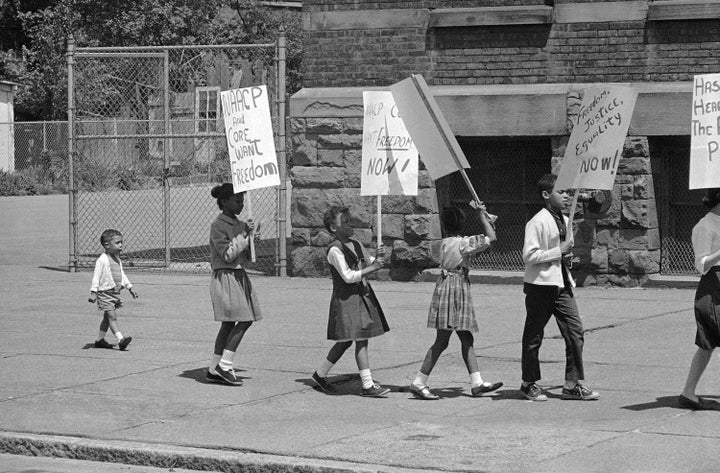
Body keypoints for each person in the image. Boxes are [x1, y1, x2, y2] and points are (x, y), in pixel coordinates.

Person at [409, 203, 503, 400]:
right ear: (462, 223)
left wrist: (486, 221)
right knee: (444, 340)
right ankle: (419, 382)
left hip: (446, 286)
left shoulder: (445, 243)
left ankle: (476, 382)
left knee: (464, 337)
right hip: (456, 288)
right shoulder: (463, 243)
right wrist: (484, 219)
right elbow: (491, 239)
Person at [520, 173, 599, 402]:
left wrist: (572, 261)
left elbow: (565, 256)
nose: (566, 197)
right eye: (561, 192)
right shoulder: (537, 222)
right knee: (534, 336)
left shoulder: (565, 220)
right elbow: (529, 255)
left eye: (567, 192)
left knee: (575, 331)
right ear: (546, 195)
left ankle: (571, 384)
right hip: (540, 286)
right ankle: (528, 383)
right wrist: (559, 251)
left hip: (562, 285)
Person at [311, 206, 390, 397]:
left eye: (349, 220)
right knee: (361, 339)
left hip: (360, 296)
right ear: (333, 228)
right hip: (347, 299)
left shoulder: (355, 243)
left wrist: (379, 257)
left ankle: (320, 374)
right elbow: (348, 276)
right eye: (344, 222)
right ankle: (367, 384)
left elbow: (370, 262)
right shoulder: (334, 250)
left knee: (346, 341)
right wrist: (373, 268)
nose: (349, 224)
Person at [206, 183, 262, 386]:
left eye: (243, 200)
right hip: (226, 276)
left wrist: (252, 238)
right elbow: (228, 254)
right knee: (245, 319)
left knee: (229, 323)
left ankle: (214, 368)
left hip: (238, 276)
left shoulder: (240, 224)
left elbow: (246, 256)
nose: (241, 204)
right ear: (224, 202)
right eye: (237, 200)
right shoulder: (218, 226)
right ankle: (225, 364)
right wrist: (245, 237)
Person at [679, 187, 720, 410]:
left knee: (708, 345)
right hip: (713, 287)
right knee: (708, 342)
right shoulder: (704, 226)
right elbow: (701, 265)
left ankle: (688, 392)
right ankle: (688, 393)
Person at [88, 229, 138, 350]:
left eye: (121, 242)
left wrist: (130, 287)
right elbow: (96, 276)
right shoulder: (102, 260)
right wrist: (93, 292)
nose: (121, 245)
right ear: (107, 245)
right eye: (117, 243)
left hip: (115, 293)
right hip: (105, 293)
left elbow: (122, 274)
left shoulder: (117, 259)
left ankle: (99, 340)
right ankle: (120, 339)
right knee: (112, 316)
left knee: (107, 318)